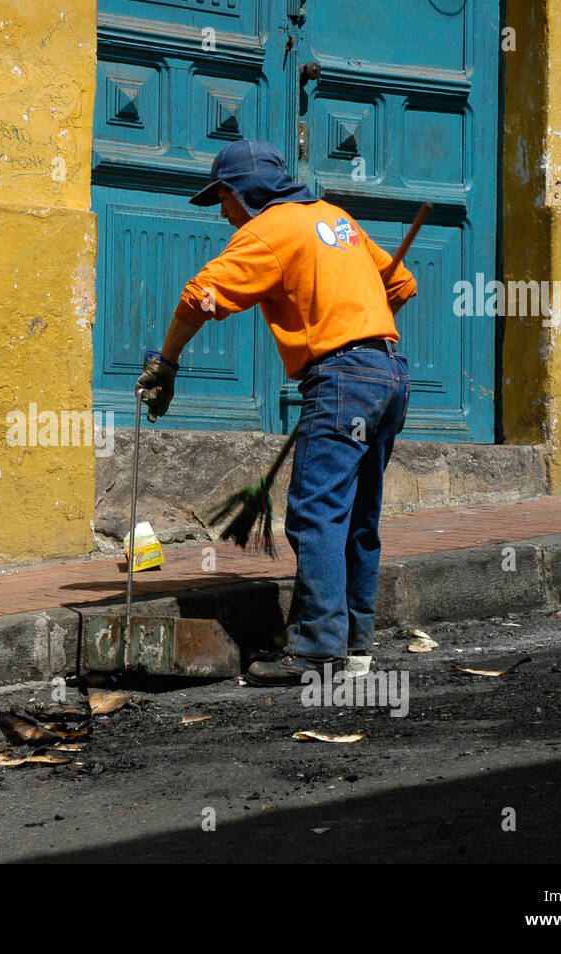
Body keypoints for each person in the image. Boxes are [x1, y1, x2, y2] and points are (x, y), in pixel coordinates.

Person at [136, 139, 416, 683]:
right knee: (358, 515)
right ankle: (354, 648)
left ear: (244, 191)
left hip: (344, 380)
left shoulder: (269, 231)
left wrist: (166, 363)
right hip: (389, 374)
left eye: (222, 196)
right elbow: (401, 283)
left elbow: (200, 296)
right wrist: (356, 316)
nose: (221, 211)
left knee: (316, 513)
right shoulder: (337, 220)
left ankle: (315, 654)